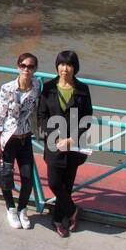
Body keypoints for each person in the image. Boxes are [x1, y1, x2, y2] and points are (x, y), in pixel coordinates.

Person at [38, 50, 94, 238]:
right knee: (54, 183)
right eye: (62, 64)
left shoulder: (82, 89)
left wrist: (72, 139)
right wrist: (52, 135)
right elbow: (41, 115)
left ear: (74, 68)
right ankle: (73, 211)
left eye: (69, 65)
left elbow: (87, 118)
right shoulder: (48, 87)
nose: (65, 69)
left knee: (67, 185)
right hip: (54, 144)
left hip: (74, 145)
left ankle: (58, 220)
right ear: (57, 66)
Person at [0, 52, 42, 229]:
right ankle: (10, 208)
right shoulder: (7, 88)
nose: (26, 69)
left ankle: (22, 209)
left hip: (25, 138)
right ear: (18, 67)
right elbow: (0, 116)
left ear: (35, 69)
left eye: (30, 66)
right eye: (23, 66)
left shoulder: (37, 85)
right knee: (6, 176)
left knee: (27, 178)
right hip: (9, 140)